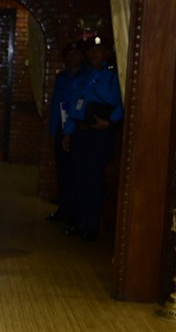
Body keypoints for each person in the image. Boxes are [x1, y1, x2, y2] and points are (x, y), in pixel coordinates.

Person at [62, 36, 123, 241]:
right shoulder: (84, 76)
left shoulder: (113, 77)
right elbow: (74, 106)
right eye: (91, 51)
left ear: (107, 53)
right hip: (81, 132)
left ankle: (93, 226)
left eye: (99, 50)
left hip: (100, 133)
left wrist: (110, 123)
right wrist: (68, 132)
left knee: (94, 180)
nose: (94, 54)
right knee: (81, 178)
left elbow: (122, 104)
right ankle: (82, 222)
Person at [46, 41, 90, 223]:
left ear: (82, 56)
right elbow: (56, 107)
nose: (73, 58)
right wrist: (52, 132)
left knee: (78, 172)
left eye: (76, 54)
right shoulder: (62, 77)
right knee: (63, 171)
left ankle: (77, 213)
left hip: (79, 129)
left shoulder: (88, 76)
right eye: (69, 55)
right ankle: (64, 209)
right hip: (61, 128)